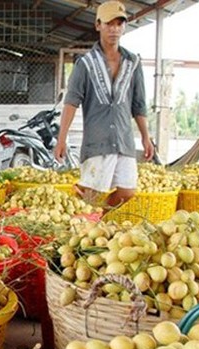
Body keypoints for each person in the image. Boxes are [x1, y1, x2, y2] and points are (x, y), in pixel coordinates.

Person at [54, 0, 154, 209]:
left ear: (124, 27)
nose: (114, 29)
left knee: (128, 191)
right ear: (98, 25)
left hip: (124, 140)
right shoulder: (86, 64)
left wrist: (146, 137)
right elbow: (71, 102)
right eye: (109, 24)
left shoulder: (132, 63)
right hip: (97, 142)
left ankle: (95, 219)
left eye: (119, 24)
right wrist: (61, 138)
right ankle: (80, 226)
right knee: (90, 195)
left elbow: (139, 104)